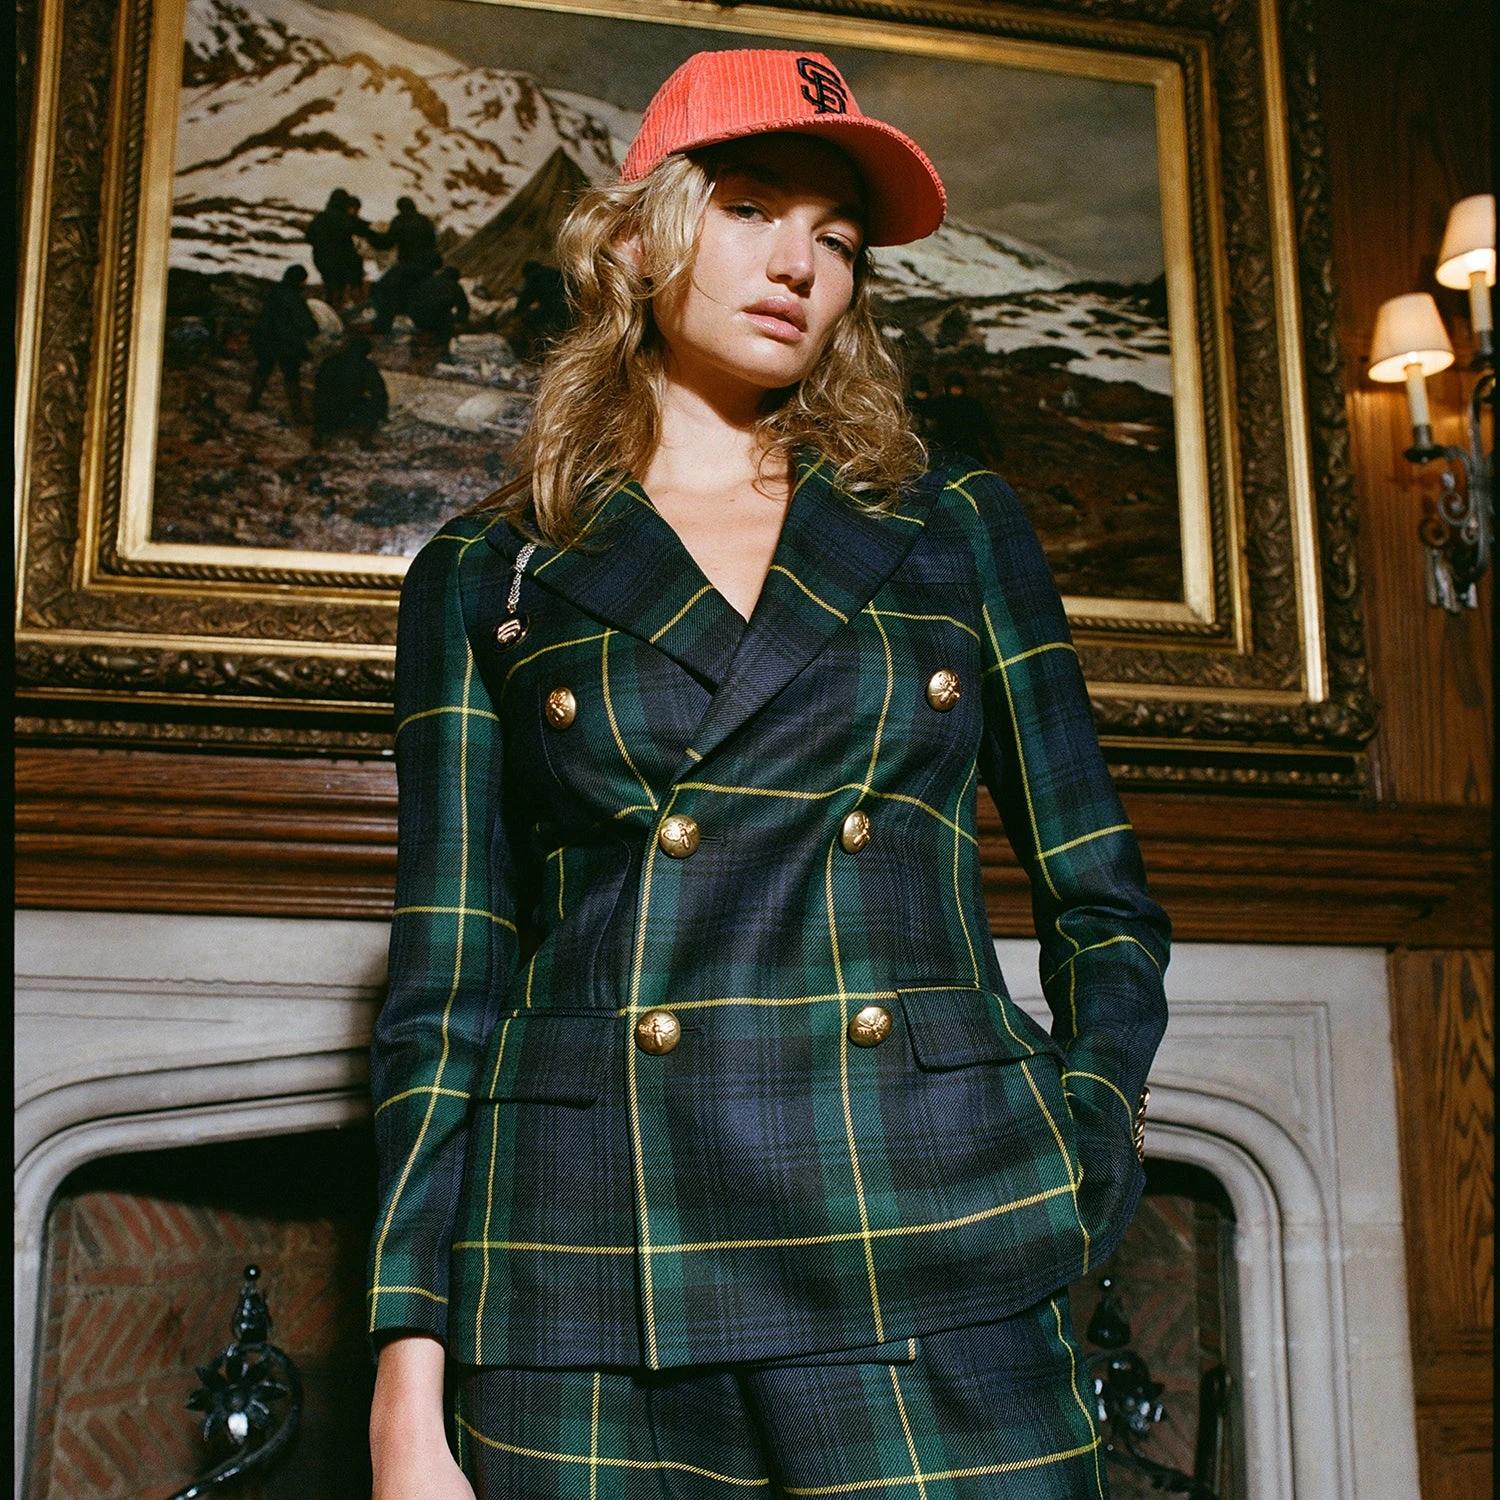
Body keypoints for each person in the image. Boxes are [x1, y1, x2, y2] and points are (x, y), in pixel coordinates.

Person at [366, 48, 1168, 1500]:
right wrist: (404, 1378)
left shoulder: (955, 526)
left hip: (932, 1232)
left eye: (839, 239)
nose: (801, 263)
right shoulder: (487, 574)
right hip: (588, 1268)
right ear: (637, 239)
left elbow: (1102, 900)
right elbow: (447, 987)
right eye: (750, 208)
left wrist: (1087, 1134)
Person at [245, 263, 318, 420]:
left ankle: (251, 403)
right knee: (291, 377)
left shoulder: (274, 292)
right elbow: (304, 322)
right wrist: (313, 330)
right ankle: (297, 414)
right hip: (287, 343)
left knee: (262, 371)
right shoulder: (294, 298)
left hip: (266, 339)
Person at [369, 197, 444, 333]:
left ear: (400, 208)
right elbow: (433, 242)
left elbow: (387, 243)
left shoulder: (400, 220)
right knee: (420, 296)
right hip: (427, 267)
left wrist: (371, 236)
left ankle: (382, 326)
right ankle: (428, 326)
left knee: (386, 291)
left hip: (407, 266)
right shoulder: (425, 220)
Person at [312, 335, 388, 445]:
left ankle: (318, 434)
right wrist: (382, 413)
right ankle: (365, 439)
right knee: (376, 401)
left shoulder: (329, 362)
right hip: (347, 411)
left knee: (323, 398)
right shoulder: (366, 366)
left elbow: (318, 385)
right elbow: (379, 392)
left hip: (324, 412)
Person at [306, 189, 373, 308]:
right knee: (344, 285)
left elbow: (309, 238)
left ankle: (331, 307)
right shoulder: (344, 218)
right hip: (342, 260)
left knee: (331, 287)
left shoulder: (321, 217)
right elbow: (362, 229)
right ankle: (352, 305)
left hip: (322, 259)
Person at [407, 264, 470, 351]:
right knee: (446, 320)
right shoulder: (454, 286)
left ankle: (422, 339)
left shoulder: (427, 281)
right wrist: (460, 322)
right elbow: (463, 307)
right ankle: (441, 348)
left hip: (416, 314)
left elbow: (412, 297)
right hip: (437, 317)